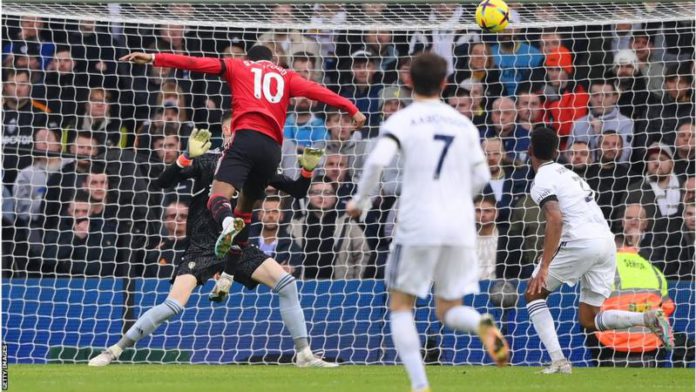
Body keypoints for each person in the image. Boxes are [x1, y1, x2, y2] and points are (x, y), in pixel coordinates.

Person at [88, 128, 335, 368]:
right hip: (203, 245)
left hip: (238, 244)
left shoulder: (259, 168)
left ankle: (304, 354)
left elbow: (297, 190)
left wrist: (306, 171)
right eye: (235, 131)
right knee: (172, 305)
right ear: (227, 134)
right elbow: (162, 182)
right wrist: (185, 156)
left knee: (287, 284)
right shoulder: (209, 161)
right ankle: (114, 351)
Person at [346, 52, 508, 392]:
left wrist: (360, 201)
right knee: (449, 309)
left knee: (401, 305)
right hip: (460, 226)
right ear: (446, 83)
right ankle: (480, 322)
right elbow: (482, 178)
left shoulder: (402, 120)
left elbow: (376, 162)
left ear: (408, 82)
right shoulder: (463, 123)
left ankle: (420, 385)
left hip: (418, 222)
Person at [120, 46, 365, 270]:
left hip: (246, 140)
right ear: (274, 61)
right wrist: (351, 109)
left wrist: (154, 57)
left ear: (248, 59)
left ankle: (227, 223)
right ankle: (228, 277)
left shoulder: (239, 66)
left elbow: (195, 62)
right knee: (245, 213)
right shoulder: (286, 76)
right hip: (272, 149)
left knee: (217, 197)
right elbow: (317, 91)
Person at [524, 127, 672, 374]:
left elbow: (555, 219)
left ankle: (559, 361)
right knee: (588, 319)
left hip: (581, 242)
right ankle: (646, 319)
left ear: (530, 151)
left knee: (533, 294)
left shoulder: (541, 180)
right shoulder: (571, 175)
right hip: (606, 242)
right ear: (558, 151)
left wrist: (546, 265)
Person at [289, 177, 369, 279]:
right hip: (303, 288)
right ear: (308, 196)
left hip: (340, 289)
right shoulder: (295, 226)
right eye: (316, 192)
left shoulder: (348, 224)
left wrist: (356, 282)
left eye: (327, 193)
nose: (322, 196)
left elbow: (363, 253)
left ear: (335, 197)